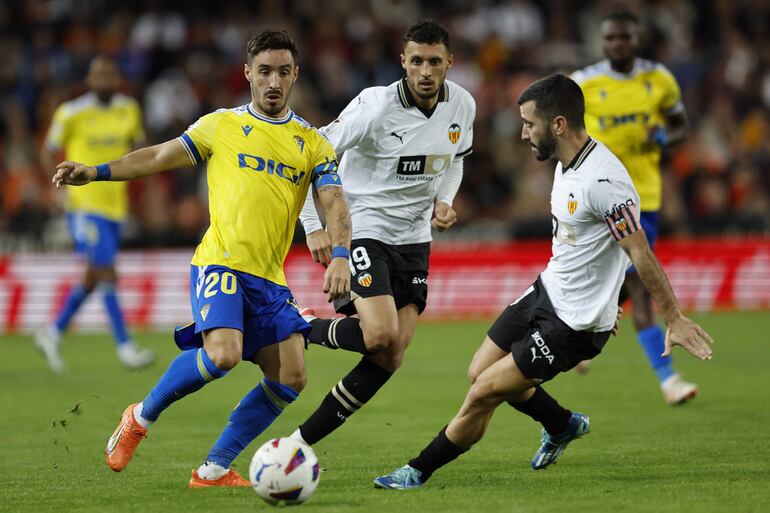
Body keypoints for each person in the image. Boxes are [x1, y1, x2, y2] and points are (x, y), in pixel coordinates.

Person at [373, 73, 713, 490]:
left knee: (484, 392)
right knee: (478, 370)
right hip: (546, 292)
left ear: (558, 124)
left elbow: (639, 252)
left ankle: (416, 471)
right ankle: (561, 423)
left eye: (529, 123)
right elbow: (592, 248)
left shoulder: (603, 182)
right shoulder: (567, 161)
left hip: (574, 325)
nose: (522, 133)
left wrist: (672, 316)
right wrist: (610, 297)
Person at [52, 31, 352, 488]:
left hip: (270, 277)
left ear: (295, 76)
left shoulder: (311, 142)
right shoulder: (221, 125)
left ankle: (212, 469)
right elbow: (158, 155)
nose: (273, 81)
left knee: (291, 375)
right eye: (265, 71)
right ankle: (140, 415)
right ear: (248, 72)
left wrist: (342, 253)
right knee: (223, 355)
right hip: (220, 262)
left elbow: (333, 201)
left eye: (283, 72)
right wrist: (96, 172)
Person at [291, 19, 475, 448]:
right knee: (379, 335)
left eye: (434, 61)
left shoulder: (463, 104)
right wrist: (314, 226)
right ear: (403, 62)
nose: (425, 71)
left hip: (414, 237)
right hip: (364, 227)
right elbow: (307, 158)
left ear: (450, 61)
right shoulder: (374, 107)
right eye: (416, 61)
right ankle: (299, 326)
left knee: (391, 355)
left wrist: (444, 200)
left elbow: (456, 159)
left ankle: (300, 442)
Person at [570, 10, 696, 405]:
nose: (617, 45)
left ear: (635, 39)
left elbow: (681, 127)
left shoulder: (657, 79)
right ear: (602, 41)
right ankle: (665, 378)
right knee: (628, 285)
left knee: (632, 285)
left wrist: (661, 135)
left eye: (624, 37)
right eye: (610, 38)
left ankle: (590, 345)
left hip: (644, 199)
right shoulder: (584, 83)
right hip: (597, 200)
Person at [36, 56, 155, 372]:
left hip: (116, 206)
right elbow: (48, 149)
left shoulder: (129, 109)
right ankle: (125, 345)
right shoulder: (71, 112)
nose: (104, 79)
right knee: (106, 269)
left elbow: (141, 150)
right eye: (98, 74)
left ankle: (52, 332)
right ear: (89, 79)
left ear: (117, 78)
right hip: (84, 205)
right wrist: (55, 187)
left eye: (109, 74)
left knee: (93, 276)